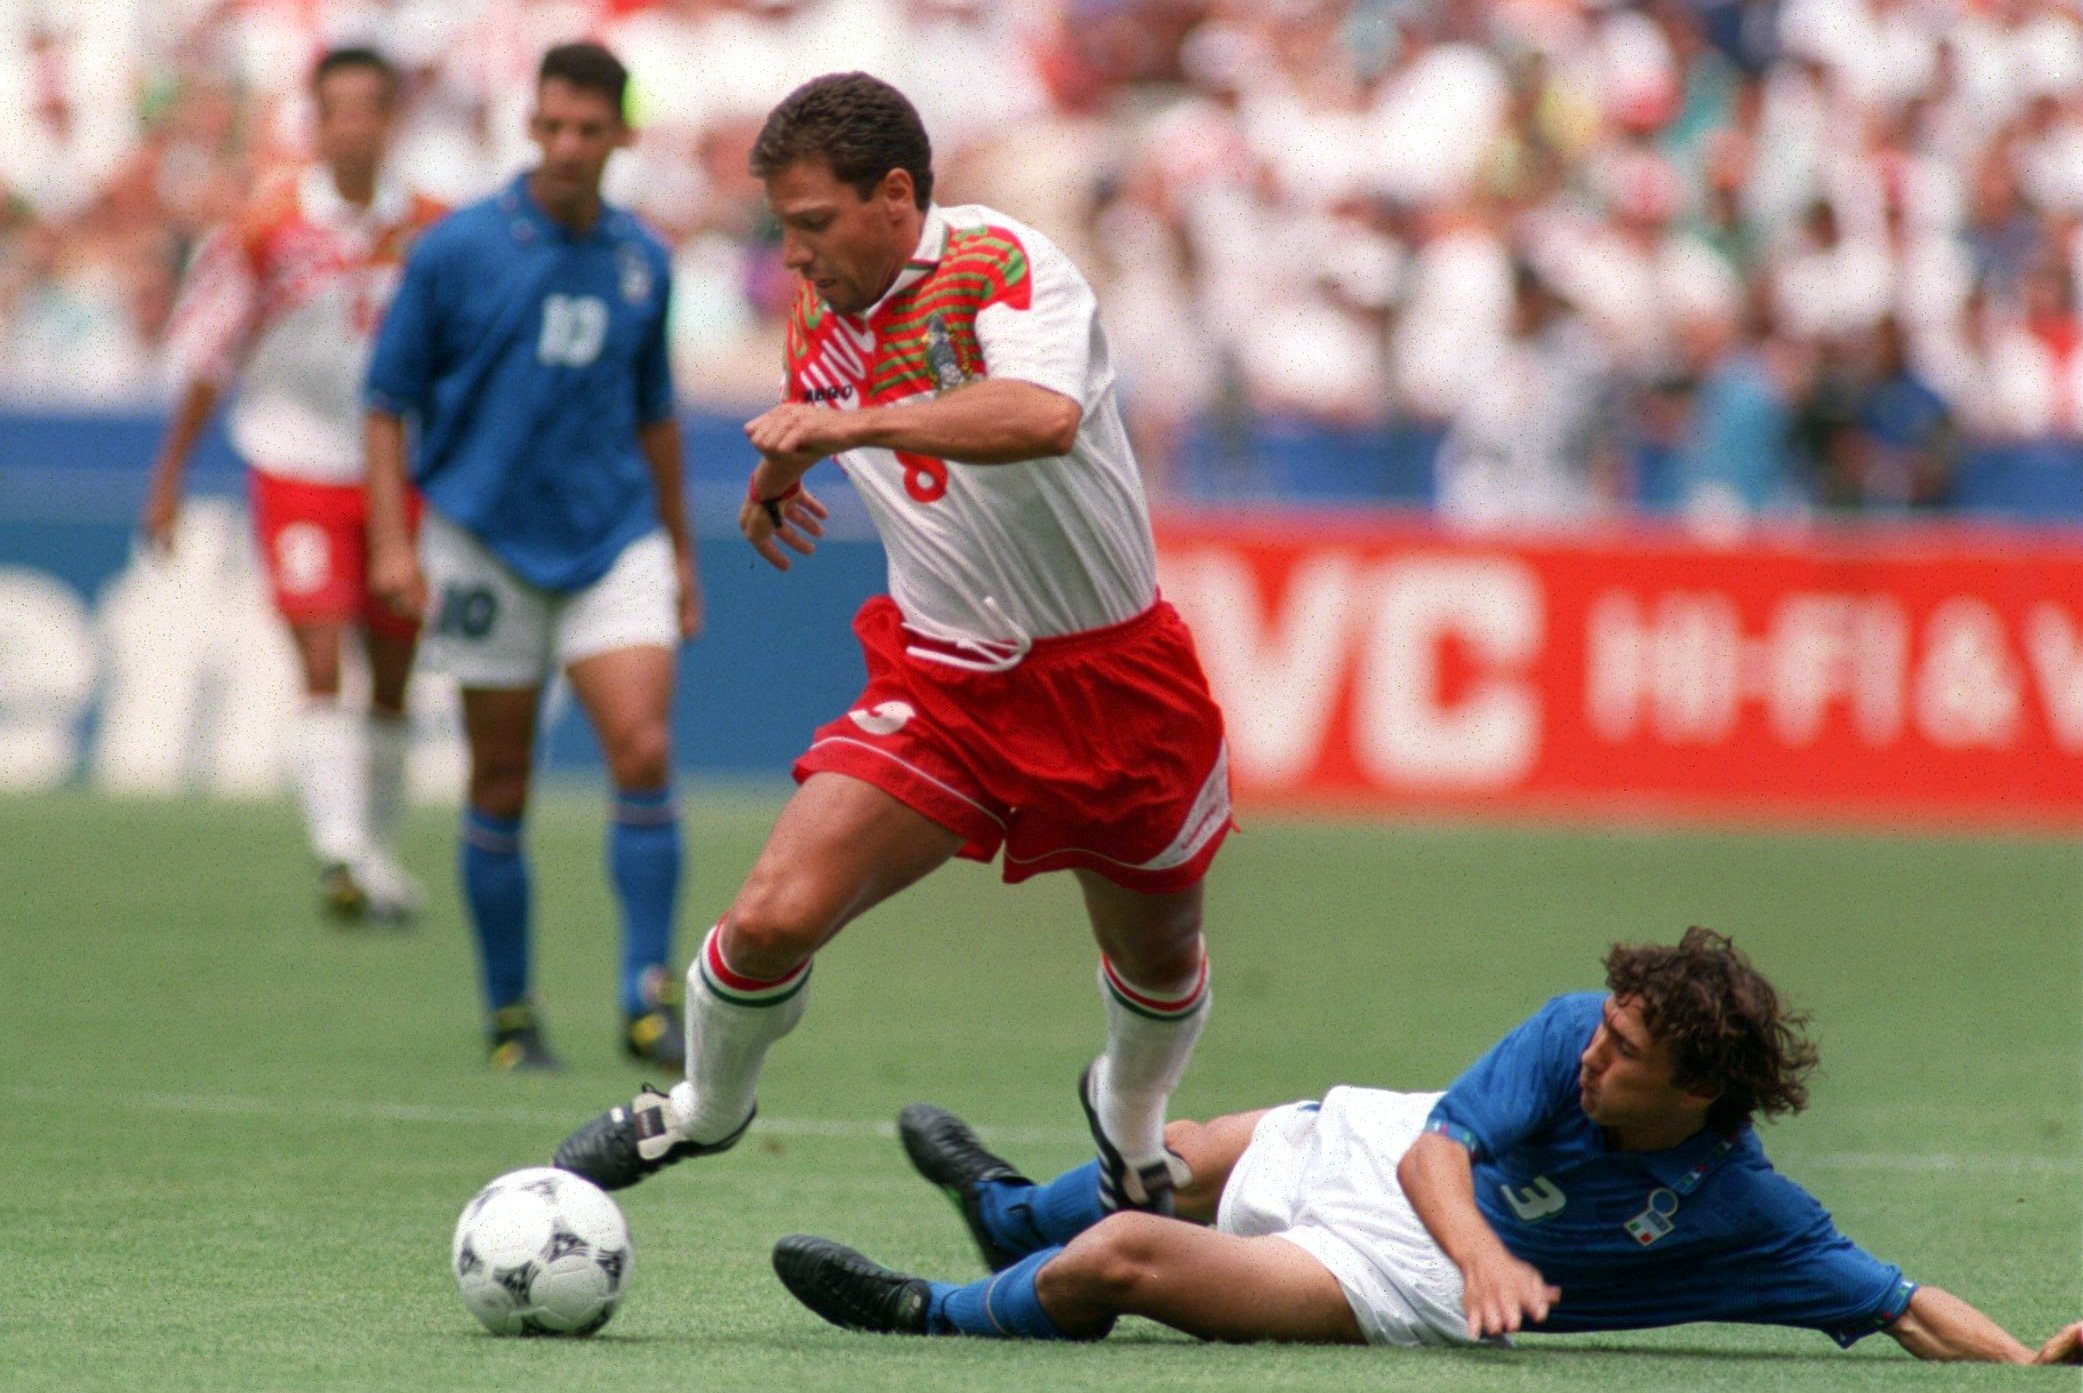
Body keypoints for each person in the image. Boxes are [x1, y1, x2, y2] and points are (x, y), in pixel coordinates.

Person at [552, 72, 1233, 1218]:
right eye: (783, 230)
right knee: (767, 917)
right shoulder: (820, 307)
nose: (797, 256)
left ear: (897, 196)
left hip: (1111, 675)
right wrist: (780, 473)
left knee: (1161, 957)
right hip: (946, 676)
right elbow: (816, 400)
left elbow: (1039, 415)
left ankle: (1126, 1119)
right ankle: (705, 1107)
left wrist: (844, 427)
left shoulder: (1004, 267)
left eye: (814, 224)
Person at [769, 927, 2083, 1366]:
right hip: (1399, 1158)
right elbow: (1434, 1154)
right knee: (1173, 1147)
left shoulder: (1743, 1210)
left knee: (1117, 1249)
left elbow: (1900, 1303)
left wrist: (2025, 1363)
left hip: (1386, 1288)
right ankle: (1002, 1216)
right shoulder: (1570, 1027)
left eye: (1628, 1056)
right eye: (1609, 1026)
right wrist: (1482, 1253)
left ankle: (931, 1313)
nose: (1595, 1054)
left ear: (1696, 1098)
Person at [363, 42, 701, 1071]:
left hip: (612, 538)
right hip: (481, 541)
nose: (566, 146)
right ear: (530, 125)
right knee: (500, 775)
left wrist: (682, 552)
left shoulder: (644, 258)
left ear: (620, 135)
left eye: (587, 130)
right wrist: (390, 540)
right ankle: (511, 1011)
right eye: (550, 125)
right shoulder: (454, 249)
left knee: (640, 750)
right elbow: (387, 402)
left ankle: (646, 996)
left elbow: (655, 415)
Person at [142, 47, 445, 921]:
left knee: (393, 661)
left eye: (369, 108)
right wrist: (167, 478)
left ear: (390, 120)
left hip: (400, 471)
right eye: (337, 108)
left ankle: (375, 851)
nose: (353, 124)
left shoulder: (430, 226)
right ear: (315, 121)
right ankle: (338, 850)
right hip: (294, 461)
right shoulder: (264, 226)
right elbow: (207, 357)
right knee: (319, 651)